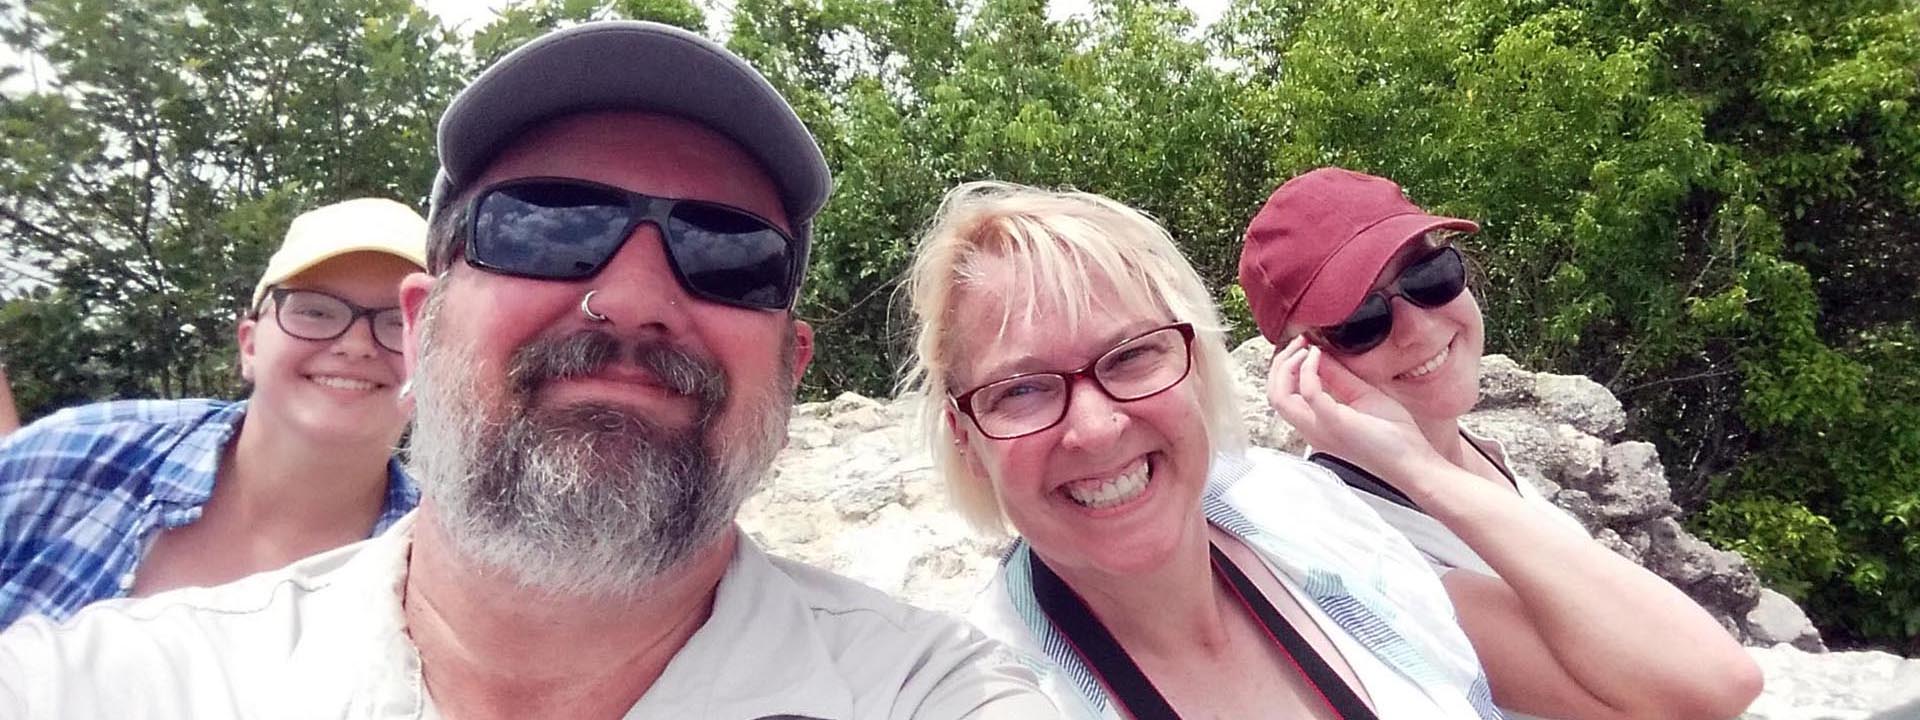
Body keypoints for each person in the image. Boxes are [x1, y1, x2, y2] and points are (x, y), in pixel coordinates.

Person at [0, 21, 1056, 719]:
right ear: (420, 327)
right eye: (550, 224)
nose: (638, 295)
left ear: (792, 364)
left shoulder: (927, 693)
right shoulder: (120, 682)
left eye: (729, 252)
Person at [903, 180, 1503, 719]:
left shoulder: (1307, 513)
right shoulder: (990, 695)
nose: (1097, 429)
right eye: (1023, 390)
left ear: (1195, 362)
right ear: (966, 438)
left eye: (1133, 355)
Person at [1242, 166, 1764, 719]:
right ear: (1302, 365)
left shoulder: (1474, 452)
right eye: (1360, 320)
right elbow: (1712, 683)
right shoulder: (1359, 545)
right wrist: (1422, 471)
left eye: (1429, 275)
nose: (1417, 327)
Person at [0, 197, 424, 628]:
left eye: (399, 322)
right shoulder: (73, 458)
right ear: (250, 345)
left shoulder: (441, 570)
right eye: (315, 311)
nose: (355, 345)